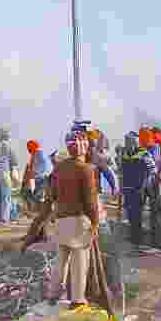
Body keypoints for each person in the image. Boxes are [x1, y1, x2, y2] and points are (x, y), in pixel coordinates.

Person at [48, 130, 99, 306]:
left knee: (61, 258)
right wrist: (95, 222)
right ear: (84, 146)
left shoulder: (59, 168)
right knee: (80, 261)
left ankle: (53, 294)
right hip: (78, 221)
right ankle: (78, 299)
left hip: (61, 219)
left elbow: (52, 195)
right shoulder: (85, 169)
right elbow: (90, 201)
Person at [118, 132, 155, 252]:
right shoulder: (123, 153)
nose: (128, 143)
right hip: (128, 188)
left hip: (139, 188)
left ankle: (138, 240)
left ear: (135, 142)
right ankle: (133, 237)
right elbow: (120, 170)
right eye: (126, 140)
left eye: (130, 141)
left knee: (138, 214)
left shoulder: (143, 153)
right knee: (130, 214)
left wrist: (146, 184)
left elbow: (153, 169)